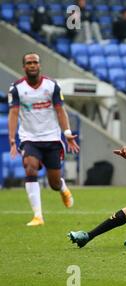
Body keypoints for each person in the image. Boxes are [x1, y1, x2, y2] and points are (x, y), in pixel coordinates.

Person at [8, 53, 80, 226]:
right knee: (30, 168)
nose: (32, 65)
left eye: (35, 62)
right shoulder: (17, 88)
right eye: (29, 63)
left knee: (53, 182)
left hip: (52, 138)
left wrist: (67, 132)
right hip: (29, 138)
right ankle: (38, 216)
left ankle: (62, 188)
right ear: (24, 67)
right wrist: (12, 140)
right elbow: (14, 113)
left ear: (40, 65)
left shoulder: (52, 86)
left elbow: (60, 111)